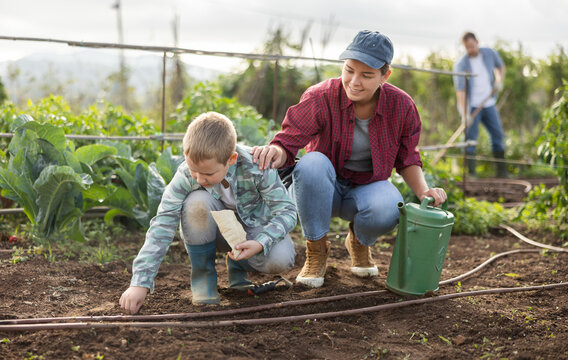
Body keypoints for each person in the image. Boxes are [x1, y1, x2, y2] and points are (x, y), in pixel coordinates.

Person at [251, 30, 447, 288]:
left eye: (367, 75)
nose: (354, 81)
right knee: (312, 164)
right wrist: (274, 151)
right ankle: (316, 250)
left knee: (389, 206)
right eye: (349, 70)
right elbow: (288, 140)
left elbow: (408, 157)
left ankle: (359, 241)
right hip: (322, 191)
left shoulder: (401, 106)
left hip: (366, 189)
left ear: (384, 76)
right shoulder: (320, 97)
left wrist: (424, 191)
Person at [120, 112, 297, 314]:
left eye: (208, 174)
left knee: (280, 259)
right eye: (193, 170)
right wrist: (140, 282)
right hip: (215, 233)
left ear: (231, 159)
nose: (198, 179)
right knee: (197, 201)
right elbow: (162, 223)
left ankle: (238, 264)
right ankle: (203, 277)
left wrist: (261, 242)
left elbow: (288, 211)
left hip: (252, 233)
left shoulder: (258, 167)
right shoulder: (186, 175)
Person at [453, 31, 507, 177]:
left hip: (489, 103)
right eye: (467, 47)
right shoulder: (461, 64)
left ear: (477, 41)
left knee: (498, 135)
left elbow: (500, 67)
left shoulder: (489, 54)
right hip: (472, 106)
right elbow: (461, 92)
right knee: (470, 140)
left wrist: (499, 81)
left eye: (472, 45)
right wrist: (465, 114)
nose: (470, 49)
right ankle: (471, 174)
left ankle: (502, 173)